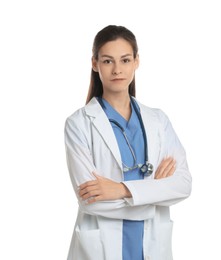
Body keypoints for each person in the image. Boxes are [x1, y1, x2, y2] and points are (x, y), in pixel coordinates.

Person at [64, 25, 192, 260]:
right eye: (107, 61)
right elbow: (90, 202)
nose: (117, 70)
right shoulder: (79, 123)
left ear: (136, 62)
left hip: (152, 246)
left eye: (125, 60)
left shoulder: (158, 120)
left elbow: (183, 184)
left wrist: (120, 189)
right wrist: (155, 194)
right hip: (100, 246)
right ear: (95, 64)